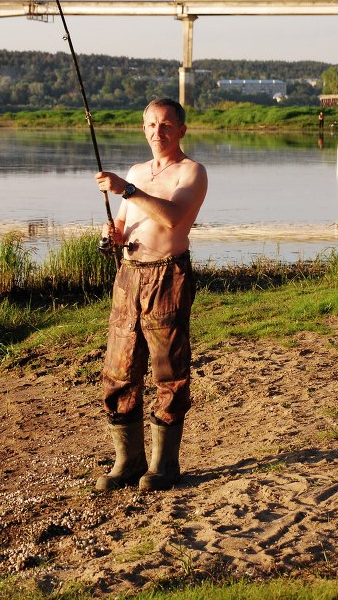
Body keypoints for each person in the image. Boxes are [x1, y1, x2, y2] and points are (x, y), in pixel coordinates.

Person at [94, 98, 208, 492]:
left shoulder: (192, 171)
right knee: (118, 370)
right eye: (150, 125)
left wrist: (127, 189)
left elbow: (174, 217)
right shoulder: (137, 171)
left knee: (168, 372)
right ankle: (128, 462)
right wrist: (113, 237)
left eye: (165, 125)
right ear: (143, 129)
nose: (157, 132)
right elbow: (123, 226)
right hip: (129, 275)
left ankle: (164, 465)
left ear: (181, 129)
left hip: (168, 276)